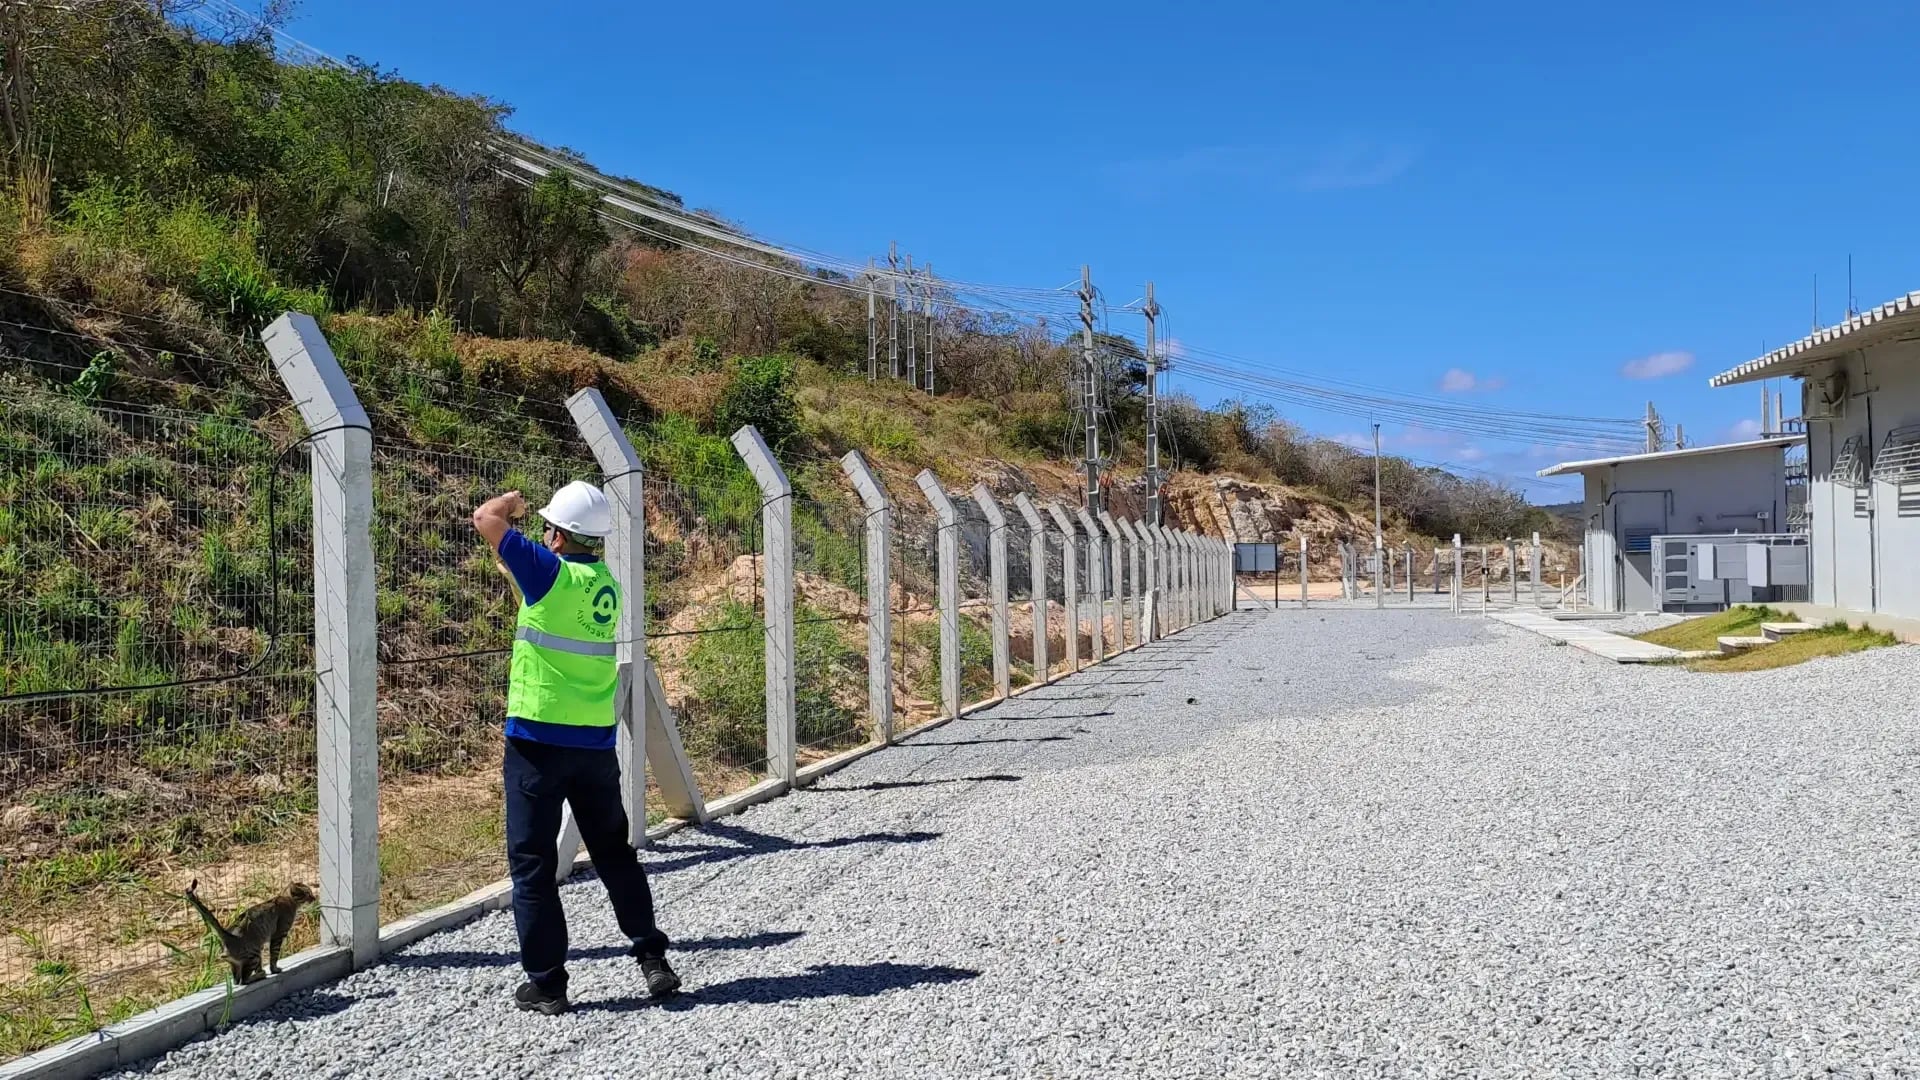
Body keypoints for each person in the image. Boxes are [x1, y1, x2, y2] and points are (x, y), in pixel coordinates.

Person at [471, 481, 680, 1015]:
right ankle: (653, 957)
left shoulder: (548, 572)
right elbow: (547, 597)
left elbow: (486, 519)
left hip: (537, 741)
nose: (541, 533)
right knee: (615, 854)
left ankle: (547, 983)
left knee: (533, 865)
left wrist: (512, 504)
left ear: (559, 537)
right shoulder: (603, 583)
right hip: (593, 743)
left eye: (547, 527)